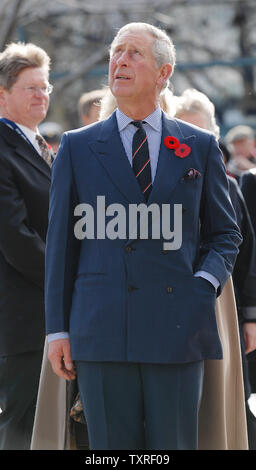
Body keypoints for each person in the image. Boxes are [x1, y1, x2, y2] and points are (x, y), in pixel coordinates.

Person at [45, 22, 242, 450]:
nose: (120, 61)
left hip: (178, 327)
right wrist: (57, 330)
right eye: (116, 52)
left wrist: (203, 285)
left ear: (163, 72)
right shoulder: (76, 147)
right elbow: (61, 246)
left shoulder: (200, 145)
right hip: (99, 329)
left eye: (134, 53)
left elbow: (225, 234)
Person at [174, 88, 256, 449]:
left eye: (201, 130)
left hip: (225, 312)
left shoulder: (230, 185)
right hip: (178, 315)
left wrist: (249, 316)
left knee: (229, 404)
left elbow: (247, 252)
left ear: (214, 134)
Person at [0, 42, 53, 450]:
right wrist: (67, 276)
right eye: (31, 87)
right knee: (21, 429)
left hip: (52, 316)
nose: (42, 95)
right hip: (23, 320)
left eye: (46, 86)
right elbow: (15, 237)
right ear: (3, 93)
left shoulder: (41, 145)